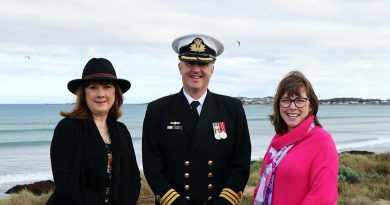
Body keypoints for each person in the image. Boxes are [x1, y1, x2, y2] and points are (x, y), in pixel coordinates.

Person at [142, 34, 252, 205]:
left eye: (203, 64)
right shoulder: (158, 110)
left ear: (212, 70)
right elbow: (152, 166)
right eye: (190, 63)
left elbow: (241, 163)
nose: (196, 69)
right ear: (180, 67)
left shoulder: (232, 109)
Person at [47, 58, 141, 205]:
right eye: (93, 87)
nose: (100, 94)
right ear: (83, 93)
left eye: (107, 87)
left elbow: (133, 178)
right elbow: (67, 184)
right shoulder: (67, 129)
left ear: (115, 92)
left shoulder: (121, 130)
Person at [253, 71, 338, 205]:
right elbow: (262, 185)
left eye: (299, 100)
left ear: (311, 106)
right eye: (286, 100)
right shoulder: (278, 140)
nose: (292, 107)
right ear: (278, 105)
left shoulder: (322, 141)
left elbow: (323, 198)